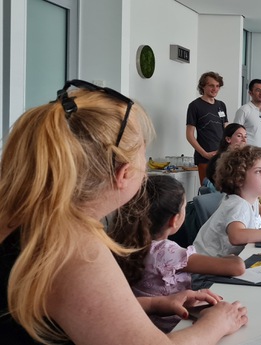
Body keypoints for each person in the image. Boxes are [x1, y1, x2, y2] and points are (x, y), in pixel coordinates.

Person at [0, 80, 246, 344]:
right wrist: (216, 324)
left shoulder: (24, 219)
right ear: (124, 174)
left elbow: (70, 310)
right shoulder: (73, 249)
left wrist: (154, 304)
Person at [111, 175, 246, 332]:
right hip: (173, 327)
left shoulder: (120, 243)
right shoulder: (167, 252)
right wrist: (230, 258)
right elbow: (237, 267)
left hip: (140, 326)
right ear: (174, 220)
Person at [186, 71, 228, 185]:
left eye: (217, 86)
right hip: (205, 158)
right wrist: (204, 153)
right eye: (211, 85)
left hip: (222, 157)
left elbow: (226, 130)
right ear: (203, 86)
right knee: (208, 191)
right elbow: (189, 135)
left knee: (224, 191)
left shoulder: (221, 105)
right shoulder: (195, 106)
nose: (215, 89)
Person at [205, 123, 248, 189]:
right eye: (239, 136)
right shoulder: (219, 161)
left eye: (245, 136)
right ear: (228, 139)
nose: (244, 140)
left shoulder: (247, 159)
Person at [233, 79, 261, 148]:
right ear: (250, 93)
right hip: (247, 153)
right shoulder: (244, 110)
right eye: (258, 90)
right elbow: (235, 133)